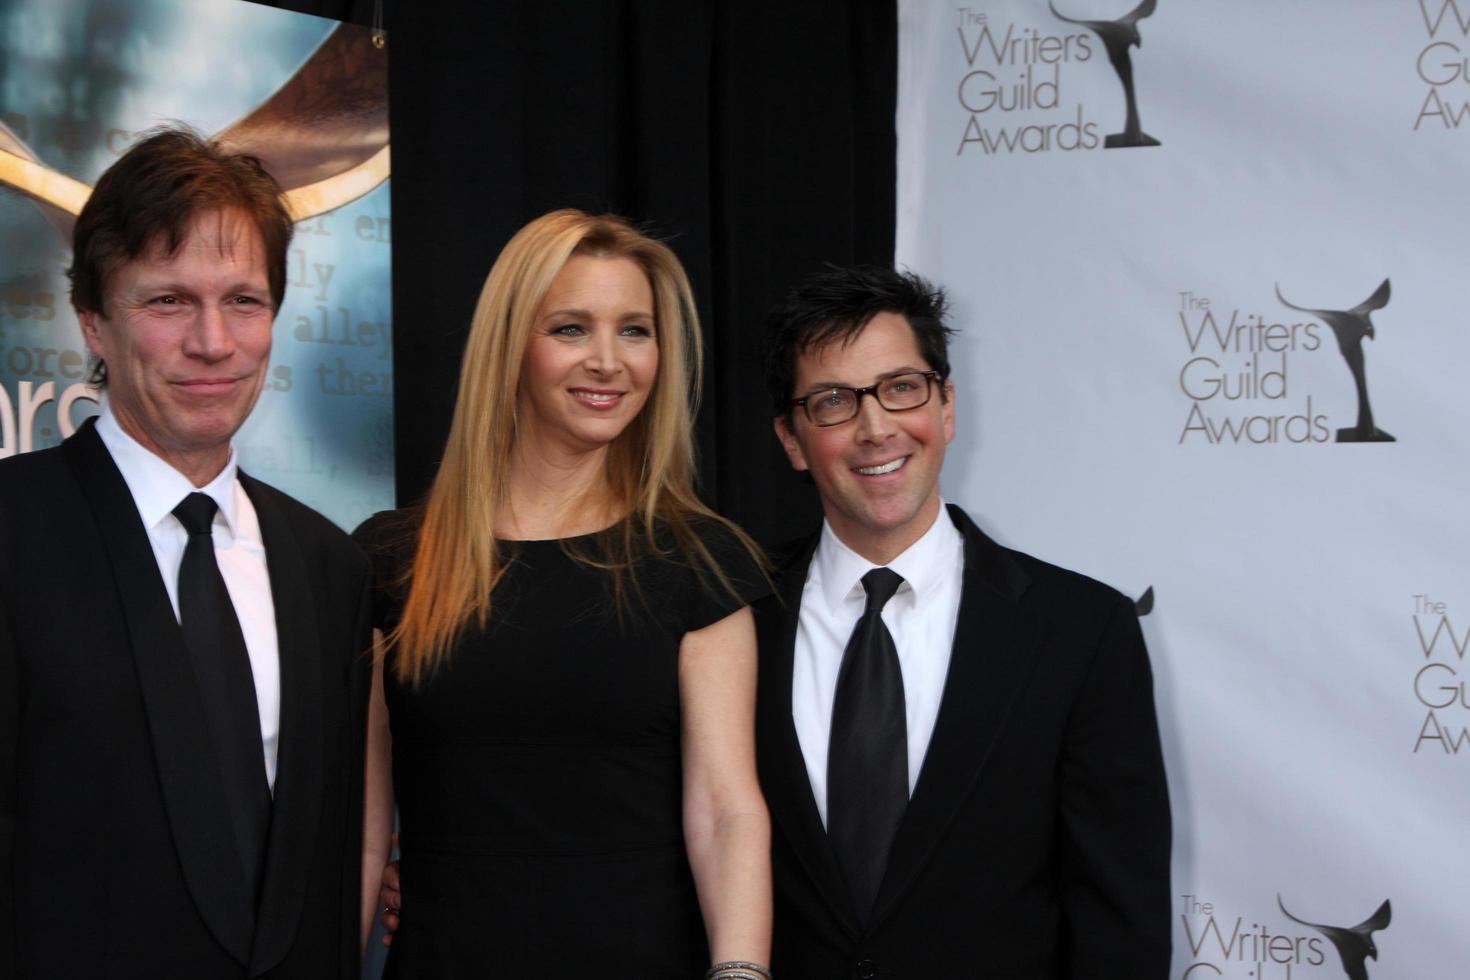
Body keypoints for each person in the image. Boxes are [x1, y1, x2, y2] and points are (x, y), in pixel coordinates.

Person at [354, 209, 773, 978]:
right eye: (572, 329)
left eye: (636, 330)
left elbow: (727, 811)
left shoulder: (697, 560)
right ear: (511, 344)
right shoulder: (394, 560)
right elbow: (362, 819)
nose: (610, 361)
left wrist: (741, 972)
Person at [0, 128, 372, 978]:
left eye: (244, 300)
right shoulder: (13, 532)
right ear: (93, 322)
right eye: (168, 302)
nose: (214, 343)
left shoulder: (330, 568)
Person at [753, 265, 1171, 977]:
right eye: (833, 402)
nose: (875, 427)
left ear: (946, 405)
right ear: (793, 439)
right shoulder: (728, 614)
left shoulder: (1081, 630)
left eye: (901, 388)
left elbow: (1118, 917)